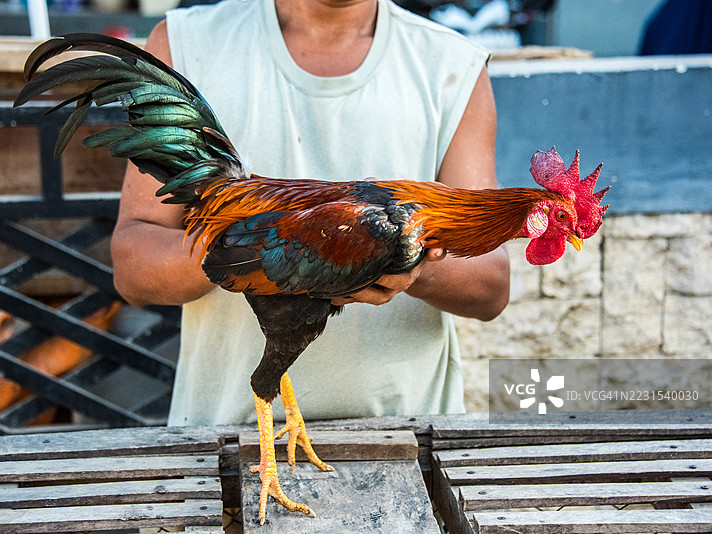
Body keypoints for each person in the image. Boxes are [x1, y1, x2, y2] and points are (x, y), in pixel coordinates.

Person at [111, 0, 510, 426]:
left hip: (409, 429)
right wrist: (266, 248)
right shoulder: (185, 42)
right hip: (227, 430)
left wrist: (389, 254)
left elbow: (490, 287)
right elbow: (133, 269)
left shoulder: (451, 63)